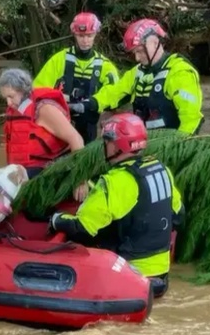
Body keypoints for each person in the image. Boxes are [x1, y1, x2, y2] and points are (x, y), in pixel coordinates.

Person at [49, 113, 184, 298]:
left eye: (107, 141)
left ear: (117, 144)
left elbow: (83, 229)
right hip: (160, 275)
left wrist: (57, 220)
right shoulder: (162, 171)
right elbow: (178, 216)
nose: (105, 145)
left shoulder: (115, 182)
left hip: (127, 276)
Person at [72, 18, 203, 135]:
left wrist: (178, 147)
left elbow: (191, 119)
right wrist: (89, 104)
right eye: (134, 52)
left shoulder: (180, 72)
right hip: (144, 143)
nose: (137, 58)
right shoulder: (137, 73)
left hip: (170, 145)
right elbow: (114, 92)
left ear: (155, 43)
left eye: (140, 51)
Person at [0, 67, 89, 201]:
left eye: (11, 97)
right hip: (27, 173)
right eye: (6, 98)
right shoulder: (16, 111)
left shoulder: (44, 109)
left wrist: (80, 180)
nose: (8, 103)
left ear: (22, 90)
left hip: (49, 172)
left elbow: (77, 140)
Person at [33, 12, 120, 142]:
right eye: (81, 36)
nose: (85, 41)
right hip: (61, 123)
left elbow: (115, 94)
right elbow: (38, 89)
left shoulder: (105, 66)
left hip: (89, 126)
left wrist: (91, 104)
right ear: (75, 35)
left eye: (89, 36)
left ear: (95, 34)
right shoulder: (59, 59)